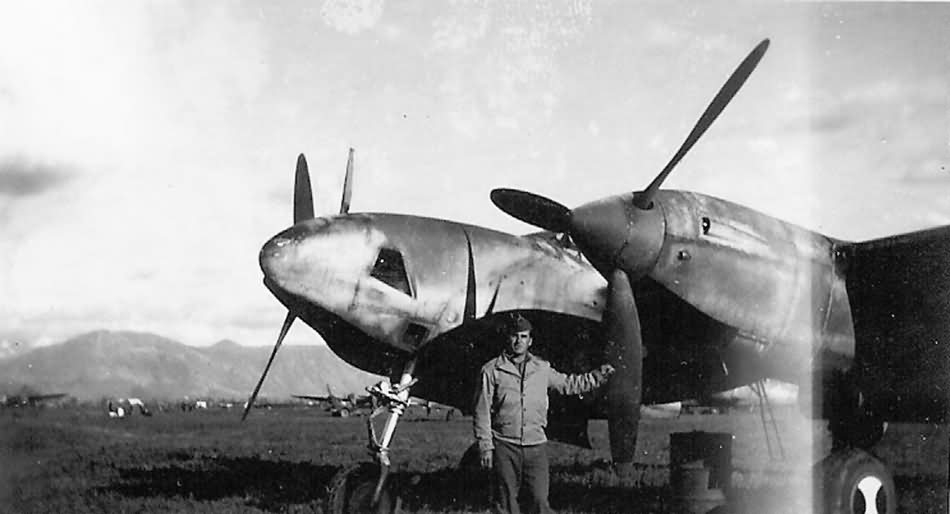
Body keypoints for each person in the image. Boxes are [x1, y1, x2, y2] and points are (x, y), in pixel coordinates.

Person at [473, 314, 615, 514]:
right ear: (507, 338)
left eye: (523, 337)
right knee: (505, 504)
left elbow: (569, 384)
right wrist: (485, 446)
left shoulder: (542, 369)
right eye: (514, 336)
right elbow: (482, 411)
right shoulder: (491, 371)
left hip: (535, 446)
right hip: (505, 445)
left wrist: (597, 376)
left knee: (539, 500)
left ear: (530, 341)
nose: (518, 341)